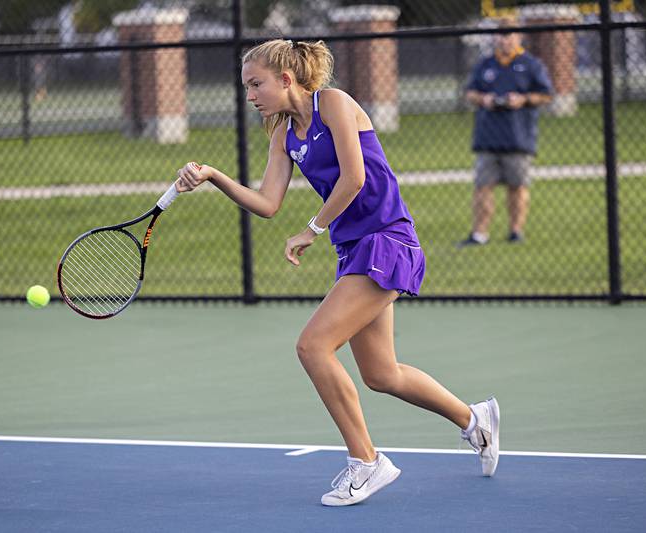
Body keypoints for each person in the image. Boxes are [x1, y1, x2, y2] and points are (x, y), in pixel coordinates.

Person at [175, 39, 499, 507]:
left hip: (388, 240)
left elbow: (355, 178)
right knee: (382, 373)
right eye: (247, 86)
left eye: (255, 84)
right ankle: (475, 420)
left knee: (312, 346)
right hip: (354, 251)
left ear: (286, 79)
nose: (249, 95)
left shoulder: (334, 103)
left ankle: (366, 462)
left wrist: (311, 229)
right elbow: (267, 203)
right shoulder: (283, 134)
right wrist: (214, 176)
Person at [459, 18, 553, 247]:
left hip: (518, 136)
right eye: (501, 34)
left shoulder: (531, 64)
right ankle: (479, 234)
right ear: (495, 37)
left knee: (517, 186)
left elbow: (546, 94)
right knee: (483, 186)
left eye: (510, 34)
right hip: (488, 136)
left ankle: (515, 231)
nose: (505, 39)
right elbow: (469, 93)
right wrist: (484, 99)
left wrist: (523, 99)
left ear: (518, 37)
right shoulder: (485, 64)